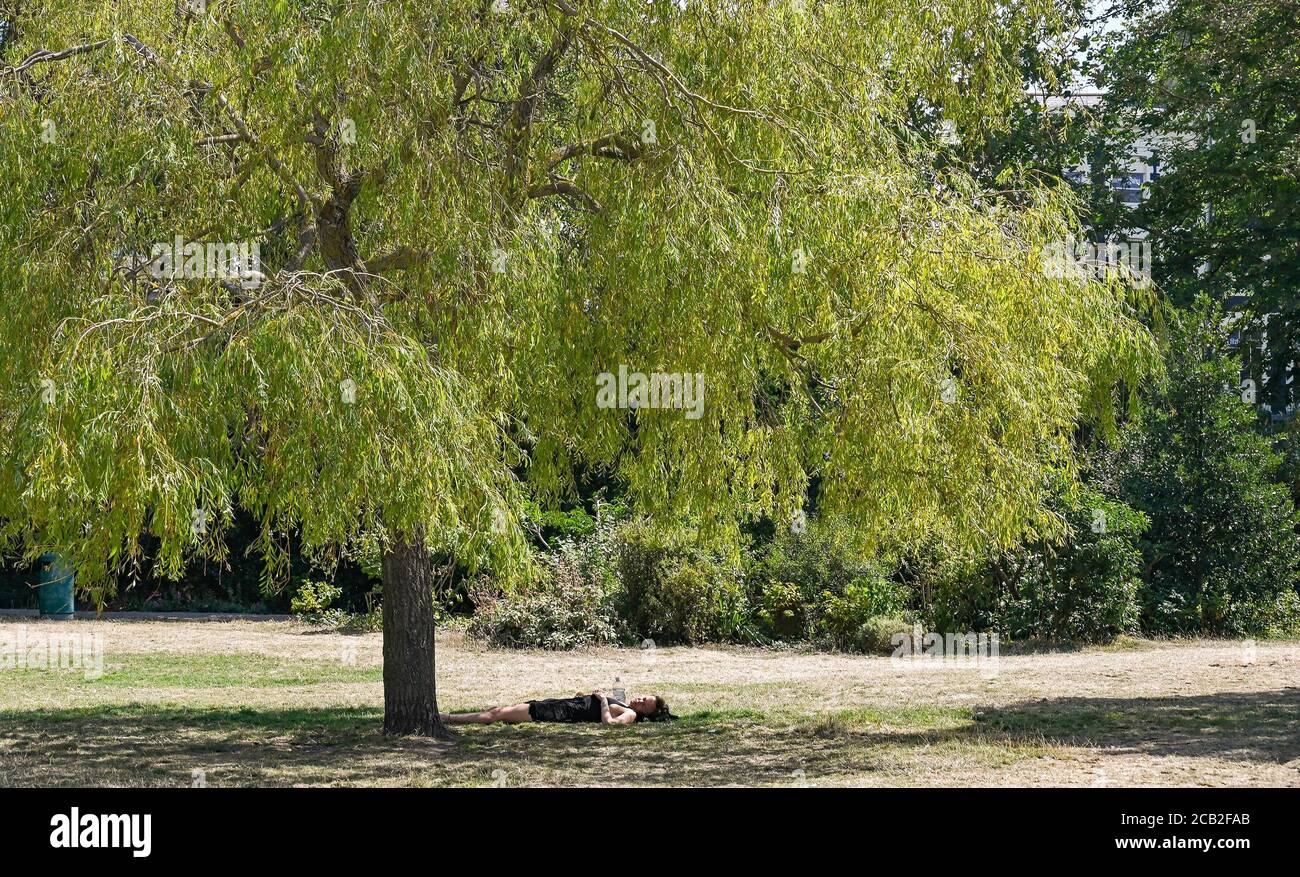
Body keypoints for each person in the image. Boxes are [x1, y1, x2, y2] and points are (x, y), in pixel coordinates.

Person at [442, 690, 674, 725]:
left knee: (497, 714)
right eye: (645, 698)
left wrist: (603, 700)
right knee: (500, 710)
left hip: (562, 713)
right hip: (565, 705)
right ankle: (449, 717)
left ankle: (447, 718)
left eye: (646, 705)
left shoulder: (630, 714)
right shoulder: (624, 702)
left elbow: (610, 723)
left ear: (644, 714)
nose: (641, 701)